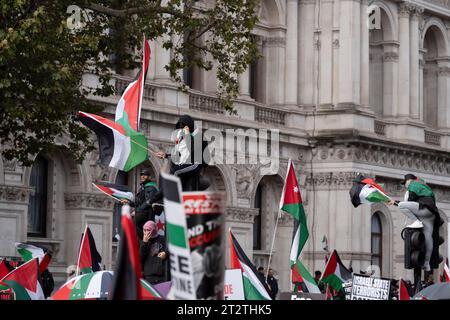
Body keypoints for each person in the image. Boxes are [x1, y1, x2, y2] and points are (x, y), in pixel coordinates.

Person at [388, 173, 442, 272]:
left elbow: (409, 202)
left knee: (402, 206)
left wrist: (395, 202)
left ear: (409, 181)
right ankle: (426, 263)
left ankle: (417, 221)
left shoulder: (413, 185)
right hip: (431, 214)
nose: (405, 186)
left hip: (423, 208)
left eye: (405, 183)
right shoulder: (425, 187)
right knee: (428, 238)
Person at [156, 114, 210, 191]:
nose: (181, 130)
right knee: (166, 171)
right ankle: (163, 195)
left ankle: (168, 194)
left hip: (195, 164)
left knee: (175, 171)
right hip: (185, 165)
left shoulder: (198, 136)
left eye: (183, 127)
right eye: (180, 128)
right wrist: (165, 155)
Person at [123, 169, 160, 240]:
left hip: (147, 215)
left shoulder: (152, 188)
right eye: (141, 175)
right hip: (141, 214)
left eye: (145, 175)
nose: (142, 177)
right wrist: (128, 202)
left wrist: (137, 211)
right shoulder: (142, 189)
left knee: (134, 223)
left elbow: (148, 202)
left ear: (149, 177)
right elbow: (138, 203)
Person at [139, 220, 168, 285]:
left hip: (161, 276)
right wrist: (144, 243)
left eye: (148, 230)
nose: (146, 232)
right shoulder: (143, 242)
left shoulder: (162, 239)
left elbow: (170, 251)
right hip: (149, 276)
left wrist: (166, 254)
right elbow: (140, 257)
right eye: (144, 230)